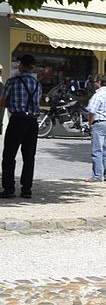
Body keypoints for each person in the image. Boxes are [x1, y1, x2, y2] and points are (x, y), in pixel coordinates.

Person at [0, 54, 42, 199]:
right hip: (32, 121)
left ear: (21, 65)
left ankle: (9, 188)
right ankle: (26, 189)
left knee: (9, 155)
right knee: (29, 156)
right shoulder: (37, 84)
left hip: (17, 119)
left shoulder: (13, 81)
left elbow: (3, 102)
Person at [85, 74, 106, 183]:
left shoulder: (98, 95)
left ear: (99, 82)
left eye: (95, 81)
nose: (94, 84)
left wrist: (90, 124)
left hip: (99, 123)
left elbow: (91, 111)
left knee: (97, 151)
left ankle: (97, 176)